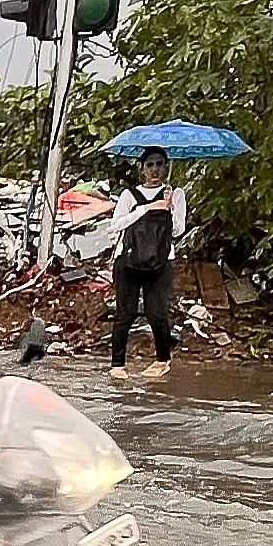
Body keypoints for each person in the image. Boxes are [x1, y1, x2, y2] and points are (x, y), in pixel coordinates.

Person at [105, 147, 189, 380]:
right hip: (128, 261)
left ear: (166, 167)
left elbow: (178, 231)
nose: (155, 169)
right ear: (142, 169)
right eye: (150, 164)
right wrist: (146, 209)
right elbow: (115, 226)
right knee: (125, 313)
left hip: (161, 261)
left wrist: (170, 209)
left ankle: (163, 360)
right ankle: (117, 364)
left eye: (160, 164)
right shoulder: (129, 195)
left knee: (157, 313)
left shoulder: (176, 194)